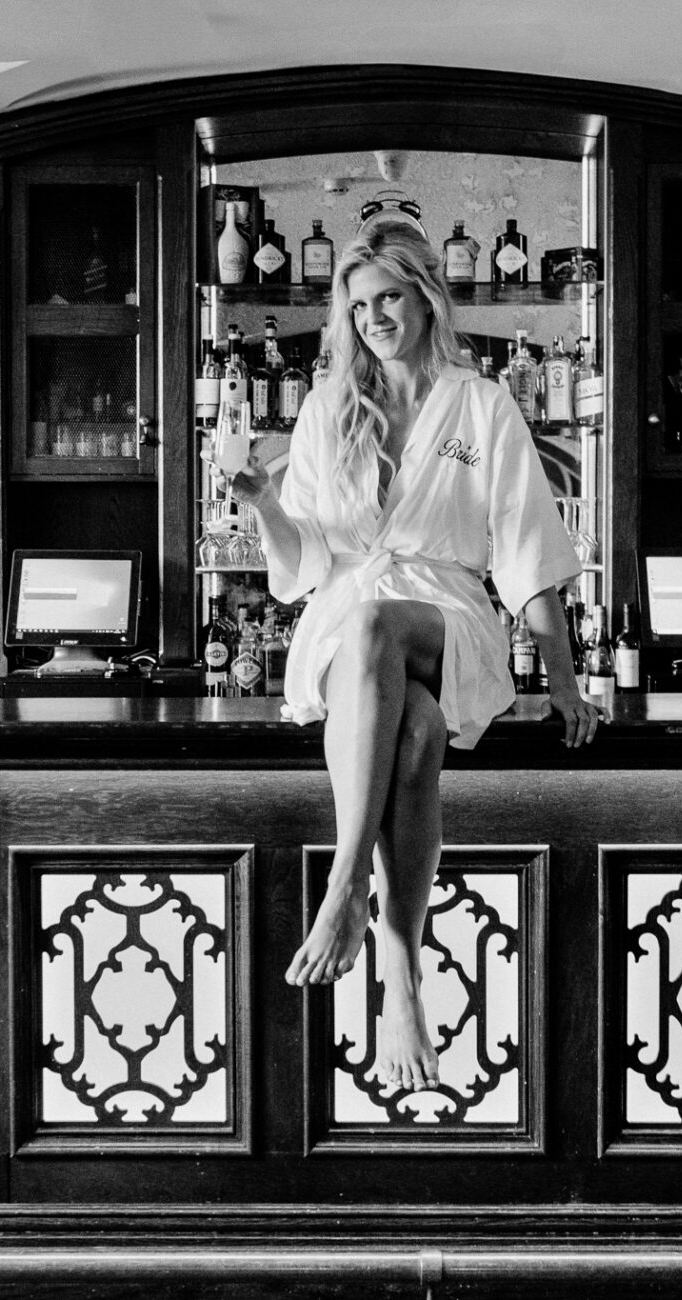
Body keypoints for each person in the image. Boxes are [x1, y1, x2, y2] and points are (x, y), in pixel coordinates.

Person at [225, 222, 599, 1094]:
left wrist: (566, 679)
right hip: (347, 617)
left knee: (377, 628)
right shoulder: (326, 408)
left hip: (448, 617)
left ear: (427, 294)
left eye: (388, 297)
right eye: (357, 306)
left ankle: (347, 880)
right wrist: (263, 509)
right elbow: (308, 563)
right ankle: (402, 974)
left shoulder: (482, 405)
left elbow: (524, 550)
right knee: (417, 730)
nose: (374, 318)